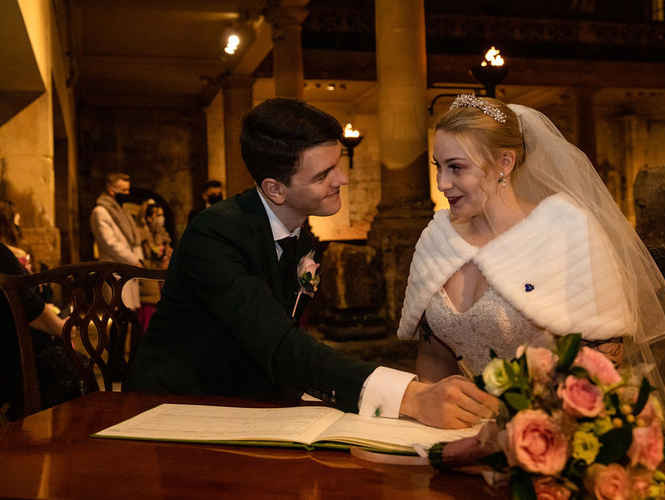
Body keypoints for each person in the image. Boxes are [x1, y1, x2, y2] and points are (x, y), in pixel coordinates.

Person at [397, 95, 665, 496]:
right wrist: (433, 418)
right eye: (439, 167)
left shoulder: (565, 231)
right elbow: (435, 353)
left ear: (504, 164)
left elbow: (603, 371)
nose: (442, 184)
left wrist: (521, 437)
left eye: (457, 168)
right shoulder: (438, 239)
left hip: (554, 444)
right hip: (464, 445)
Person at [128, 98, 499, 429]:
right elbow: (279, 344)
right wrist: (410, 397)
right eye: (323, 175)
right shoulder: (215, 235)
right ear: (276, 188)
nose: (343, 179)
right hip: (180, 411)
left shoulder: (302, 236)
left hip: (256, 402)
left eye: (336, 164)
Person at [0, 215, 97, 421]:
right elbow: (35, 313)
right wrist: (64, 328)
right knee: (72, 365)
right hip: (11, 365)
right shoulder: (2, 255)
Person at [90, 172, 143, 310]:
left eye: (128, 189)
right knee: (116, 313)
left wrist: (138, 260)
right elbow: (110, 244)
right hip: (115, 270)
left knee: (130, 314)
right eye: (124, 190)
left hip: (129, 270)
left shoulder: (122, 211)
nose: (128, 193)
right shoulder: (100, 211)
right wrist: (133, 260)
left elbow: (132, 240)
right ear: (111, 190)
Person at [137, 200, 172, 331]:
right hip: (148, 281)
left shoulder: (161, 233)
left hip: (160, 279)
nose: (161, 219)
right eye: (158, 215)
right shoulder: (141, 234)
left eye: (162, 215)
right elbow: (143, 257)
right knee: (147, 319)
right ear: (148, 218)